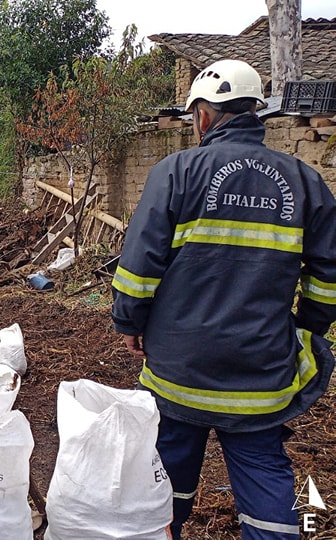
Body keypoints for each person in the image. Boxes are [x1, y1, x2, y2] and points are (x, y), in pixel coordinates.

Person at [111, 59, 336, 539]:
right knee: (265, 476)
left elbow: (137, 270)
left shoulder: (176, 172)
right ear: (256, 113)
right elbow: (329, 276)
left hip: (179, 373)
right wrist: (308, 327)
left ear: (205, 116)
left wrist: (130, 323)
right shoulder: (304, 182)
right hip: (260, 376)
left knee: (164, 478)